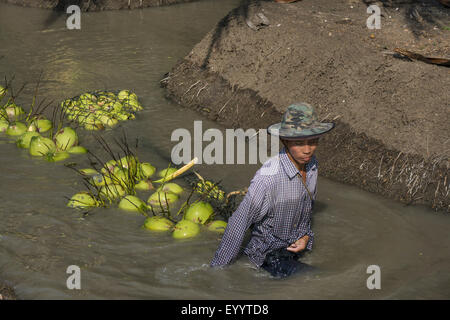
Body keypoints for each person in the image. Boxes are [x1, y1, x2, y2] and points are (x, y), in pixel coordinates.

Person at [210, 102, 335, 278]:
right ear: (285, 140)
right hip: (268, 256)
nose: (307, 150)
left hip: (293, 250)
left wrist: (306, 237)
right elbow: (238, 223)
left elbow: (306, 209)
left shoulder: (312, 165)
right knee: (318, 281)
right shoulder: (268, 178)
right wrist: (217, 272)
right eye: (299, 143)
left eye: (313, 141)